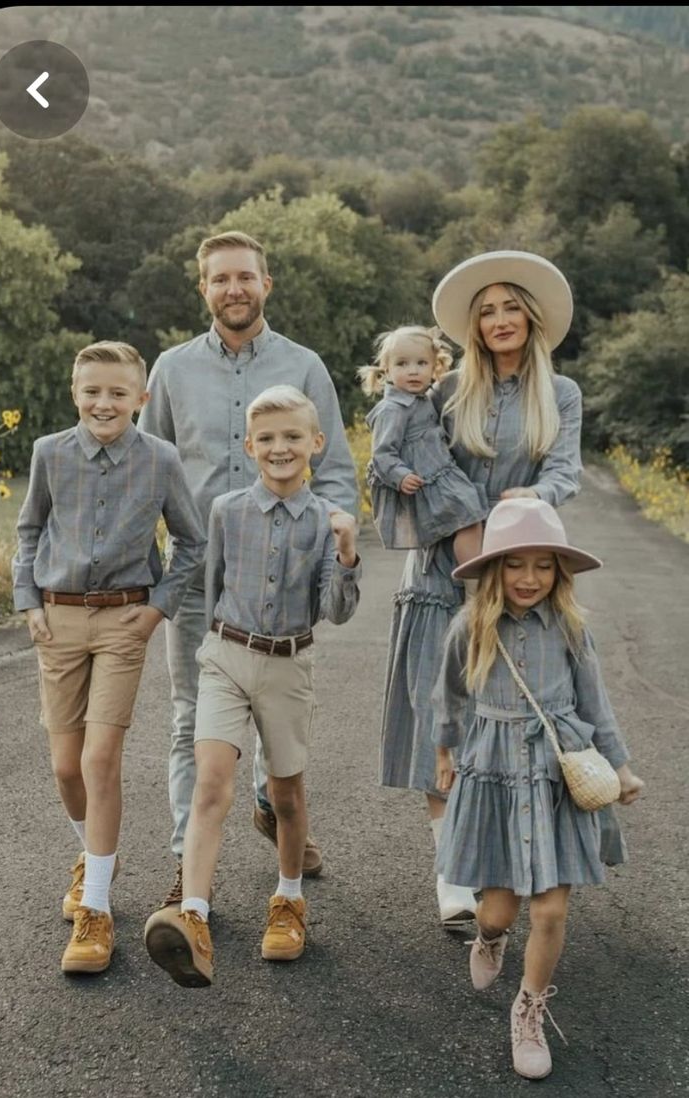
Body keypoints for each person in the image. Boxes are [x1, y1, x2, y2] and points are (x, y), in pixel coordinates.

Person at [137, 231, 358, 911]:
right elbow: (152, 470)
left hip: (284, 573)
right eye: (219, 278)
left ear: (267, 283)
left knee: (273, 721)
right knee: (187, 718)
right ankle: (186, 866)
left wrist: (338, 533)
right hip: (202, 571)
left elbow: (339, 470)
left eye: (245, 277)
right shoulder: (171, 368)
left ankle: (274, 804)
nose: (233, 288)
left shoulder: (305, 365)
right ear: (203, 288)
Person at [379, 251, 583, 927]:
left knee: (514, 720)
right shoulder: (446, 391)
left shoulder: (560, 394)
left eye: (510, 306)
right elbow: (417, 460)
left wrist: (528, 502)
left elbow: (564, 470)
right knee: (441, 712)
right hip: (445, 569)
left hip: (522, 572)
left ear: (531, 316)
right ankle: (451, 874)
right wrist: (468, 521)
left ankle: (507, 859)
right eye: (486, 310)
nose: (499, 320)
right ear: (472, 326)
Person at [143, 386, 360, 986]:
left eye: (293, 437)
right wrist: (214, 646)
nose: (280, 447)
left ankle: (288, 900)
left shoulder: (324, 521)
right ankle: (192, 917)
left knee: (285, 794)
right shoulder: (225, 510)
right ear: (249, 446)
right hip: (226, 657)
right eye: (267, 438)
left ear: (315, 443)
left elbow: (333, 612)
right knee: (212, 783)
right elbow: (210, 590)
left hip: (289, 663)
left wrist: (345, 553)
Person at [433, 497, 644, 1079]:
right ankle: (490, 936)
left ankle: (527, 1009)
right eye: (517, 564)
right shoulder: (470, 625)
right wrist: (445, 750)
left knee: (550, 909)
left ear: (561, 570)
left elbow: (596, 704)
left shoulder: (572, 629)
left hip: (558, 771)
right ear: (495, 568)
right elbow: (448, 694)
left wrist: (620, 767)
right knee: (500, 908)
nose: (530, 578)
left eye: (544, 565)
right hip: (496, 772)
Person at [12, 341, 205, 974]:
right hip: (58, 618)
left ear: (141, 400)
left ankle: (95, 909)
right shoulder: (49, 453)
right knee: (66, 767)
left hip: (125, 619)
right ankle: (95, 852)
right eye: (93, 391)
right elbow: (30, 531)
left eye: (118, 393)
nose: (104, 402)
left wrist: (157, 609)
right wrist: (29, 604)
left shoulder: (160, 459)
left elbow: (192, 543)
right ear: (75, 394)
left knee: (100, 758)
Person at [358, 325, 487, 558]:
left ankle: (471, 573)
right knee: (470, 518)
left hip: (442, 474)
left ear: (434, 366)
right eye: (402, 364)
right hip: (425, 481)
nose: (413, 371)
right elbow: (382, 454)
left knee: (471, 518)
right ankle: (472, 582)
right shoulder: (393, 409)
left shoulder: (422, 399)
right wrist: (400, 476)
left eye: (421, 363)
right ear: (386, 370)